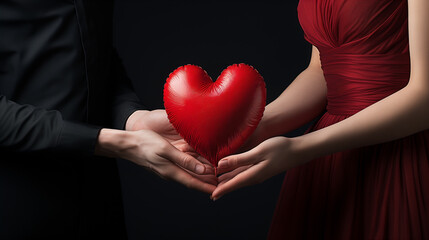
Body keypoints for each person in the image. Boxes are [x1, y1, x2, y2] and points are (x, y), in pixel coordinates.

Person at [212, 0, 429, 238]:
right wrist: (256, 128)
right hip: (331, 161)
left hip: (401, 154)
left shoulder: (305, 149)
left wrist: (300, 148)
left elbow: (424, 97)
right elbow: (322, 72)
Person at [0, 0, 215, 238]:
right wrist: (113, 141)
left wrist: (132, 118)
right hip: (20, 203)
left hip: (100, 202)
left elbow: (94, 53)